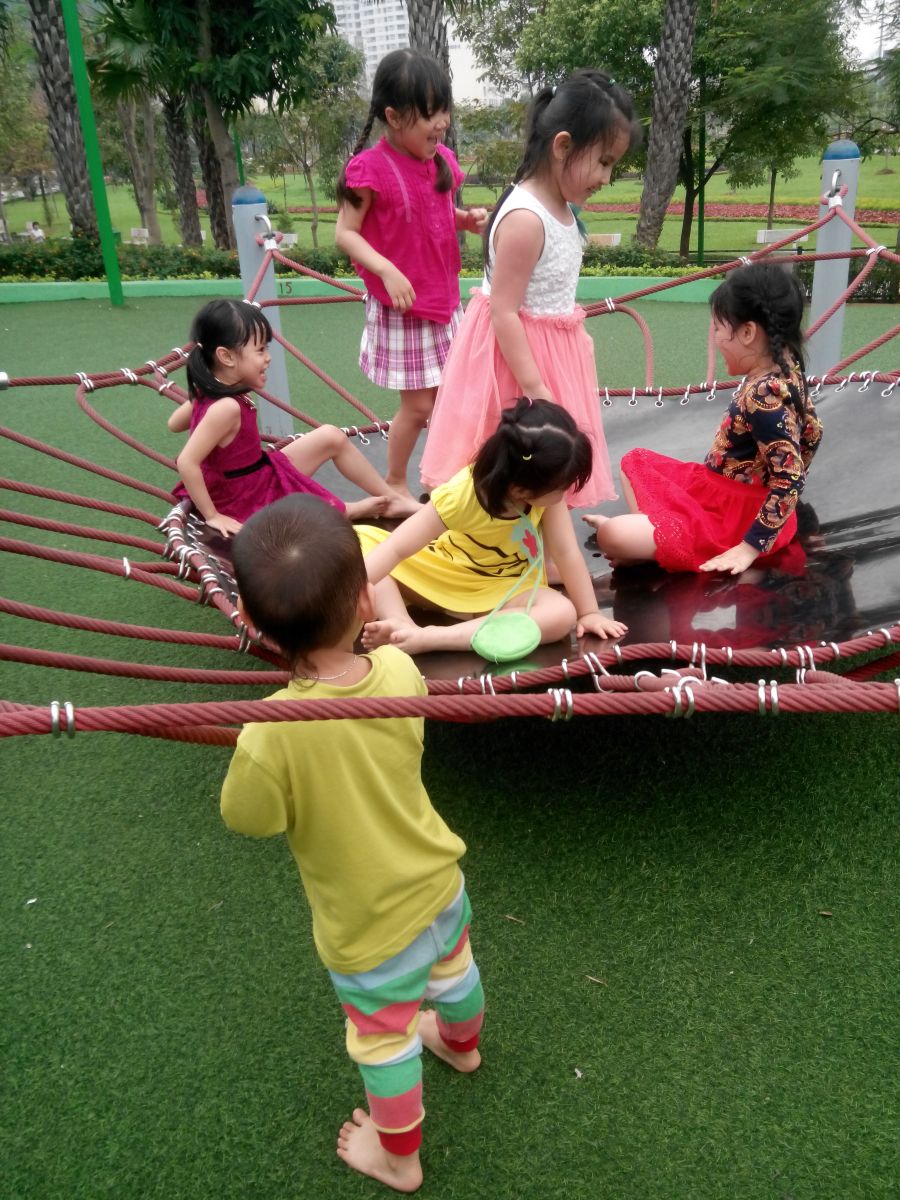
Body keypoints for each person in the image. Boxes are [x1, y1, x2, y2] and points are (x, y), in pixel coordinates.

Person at [220, 494, 484, 1193]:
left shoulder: (268, 735)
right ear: (366, 599)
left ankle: (399, 1160)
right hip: (438, 880)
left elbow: (249, 820)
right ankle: (462, 1047)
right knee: (454, 971)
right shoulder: (399, 670)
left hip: (369, 926)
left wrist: (258, 751)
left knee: (383, 1038)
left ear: (249, 621)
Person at [419, 69, 642, 509]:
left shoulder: (561, 207)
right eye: (604, 162)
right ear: (563, 146)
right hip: (514, 365)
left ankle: (539, 538)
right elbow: (504, 311)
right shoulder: (526, 218)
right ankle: (480, 535)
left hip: (554, 353)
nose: (607, 177)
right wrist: (536, 388)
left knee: (548, 467)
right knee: (507, 463)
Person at [584, 262, 824, 574]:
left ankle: (650, 544)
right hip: (716, 492)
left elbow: (790, 477)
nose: (716, 339)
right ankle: (652, 537)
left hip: (735, 522)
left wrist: (748, 547)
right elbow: (811, 436)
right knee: (635, 462)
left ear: (747, 333)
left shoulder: (764, 397)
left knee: (611, 534)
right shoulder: (787, 370)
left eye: (719, 329)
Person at [358, 397, 628, 656]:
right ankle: (399, 623)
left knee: (561, 614)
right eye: (562, 487)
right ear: (521, 490)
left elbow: (566, 552)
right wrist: (347, 593)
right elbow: (397, 548)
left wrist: (589, 612)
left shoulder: (545, 496)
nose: (565, 493)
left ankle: (429, 638)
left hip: (501, 588)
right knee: (360, 542)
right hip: (442, 574)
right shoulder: (462, 495)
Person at [335, 48, 488, 502]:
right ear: (393, 117)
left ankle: (447, 475)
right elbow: (346, 233)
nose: (441, 122)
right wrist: (386, 269)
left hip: (442, 300)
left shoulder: (439, 160)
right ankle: (395, 480)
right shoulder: (370, 170)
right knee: (419, 406)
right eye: (429, 113)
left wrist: (464, 220)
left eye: (444, 110)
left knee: (448, 399)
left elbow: (433, 213)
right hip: (404, 307)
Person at [168, 298, 419, 537]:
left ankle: (391, 499)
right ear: (227, 357)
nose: (267, 358)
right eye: (260, 350)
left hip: (257, 472)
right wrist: (212, 516)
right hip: (246, 495)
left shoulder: (213, 392)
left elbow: (174, 424)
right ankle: (350, 509)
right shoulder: (226, 408)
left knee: (331, 436)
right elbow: (187, 461)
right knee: (311, 513)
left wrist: (198, 401)